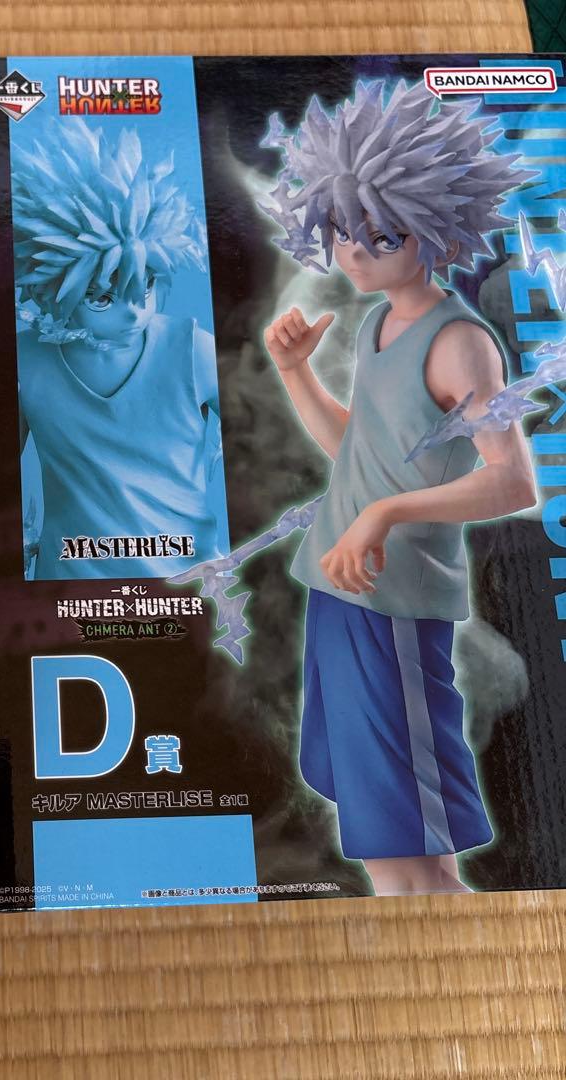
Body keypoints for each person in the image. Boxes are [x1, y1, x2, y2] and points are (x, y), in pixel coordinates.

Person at [261, 80, 537, 895]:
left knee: (400, 839)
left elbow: (513, 481)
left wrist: (386, 513)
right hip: (340, 588)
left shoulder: (460, 344)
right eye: (343, 230)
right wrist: (295, 373)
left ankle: (448, 950)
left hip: (396, 603)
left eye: (380, 234)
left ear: (437, 228)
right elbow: (363, 454)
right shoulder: (380, 322)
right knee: (381, 818)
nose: (355, 252)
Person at [13, 118, 224, 579]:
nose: (134, 313)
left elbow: (270, 452)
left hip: (190, 590)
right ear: (51, 292)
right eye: (102, 298)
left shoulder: (193, 351)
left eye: (145, 286)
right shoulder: (25, 362)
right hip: (66, 594)